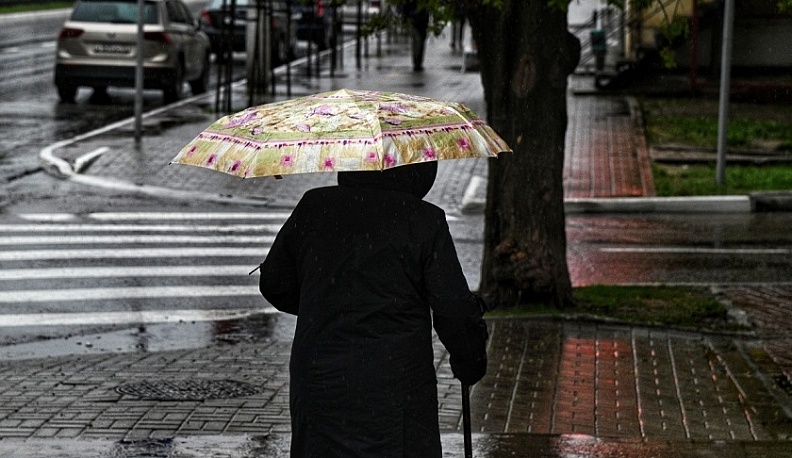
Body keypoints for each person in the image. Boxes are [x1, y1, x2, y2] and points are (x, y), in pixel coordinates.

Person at [259, 161, 489, 458]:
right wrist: (469, 360)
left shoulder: (315, 207)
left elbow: (275, 283)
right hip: (396, 382)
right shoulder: (422, 220)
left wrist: (325, 305)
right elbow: (454, 309)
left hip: (321, 375)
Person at [400, 0, 430, 71]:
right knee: (418, 41)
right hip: (416, 20)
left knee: (419, 42)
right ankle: (417, 62)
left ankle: (417, 62)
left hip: (420, 20)